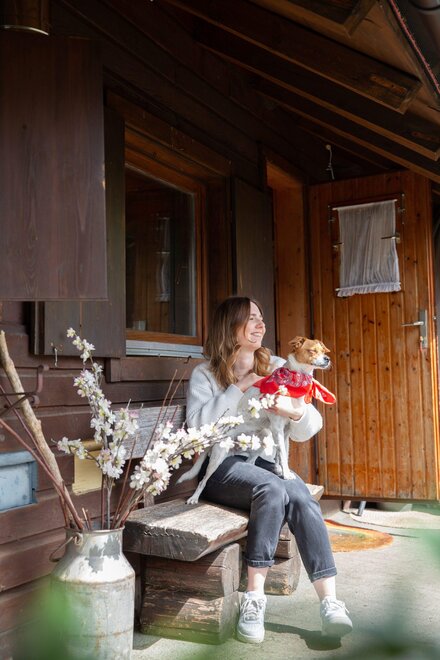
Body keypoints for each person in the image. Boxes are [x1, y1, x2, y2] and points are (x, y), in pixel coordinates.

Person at [186, 296, 353, 644]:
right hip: (223, 468)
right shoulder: (205, 374)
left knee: (300, 496)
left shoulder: (278, 366)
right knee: (272, 488)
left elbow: (309, 427)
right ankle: (254, 599)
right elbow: (196, 428)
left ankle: (330, 603)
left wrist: (295, 412)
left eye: (261, 317)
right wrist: (239, 387)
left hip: (266, 463)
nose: (260, 324)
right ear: (230, 326)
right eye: (251, 318)